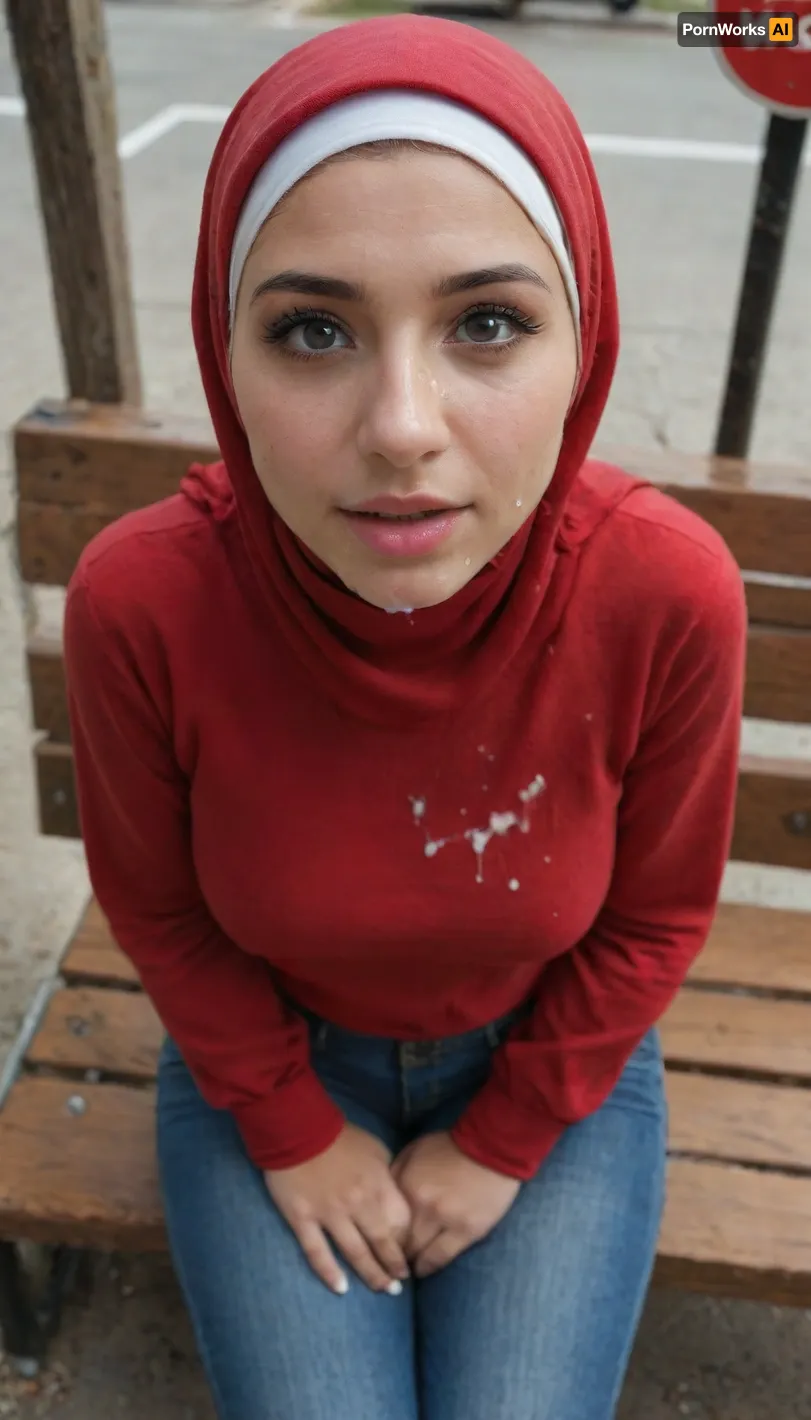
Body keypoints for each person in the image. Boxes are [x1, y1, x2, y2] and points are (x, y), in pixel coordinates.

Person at [62, 14, 747, 1420]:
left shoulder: (662, 592)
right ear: (225, 353)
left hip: (550, 1059)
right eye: (312, 330)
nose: (401, 426)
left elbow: (654, 917)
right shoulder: (145, 602)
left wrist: (502, 1140)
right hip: (266, 1056)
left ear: (584, 343)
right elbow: (162, 910)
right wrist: (289, 1127)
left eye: (487, 322)